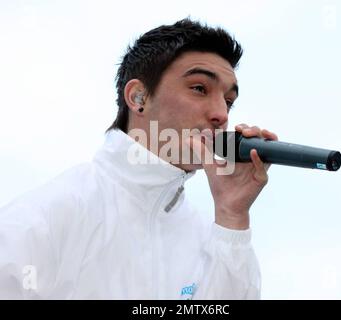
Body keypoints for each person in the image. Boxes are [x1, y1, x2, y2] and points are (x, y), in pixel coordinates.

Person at [0, 18, 278, 299]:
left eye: (229, 101)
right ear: (138, 96)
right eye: (199, 89)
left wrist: (232, 215)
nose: (222, 114)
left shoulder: (214, 237)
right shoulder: (41, 220)